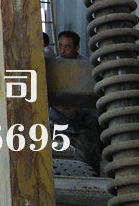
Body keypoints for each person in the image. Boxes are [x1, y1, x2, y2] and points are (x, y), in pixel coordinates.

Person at [49, 30, 101, 175]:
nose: (62, 50)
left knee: (88, 163)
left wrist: (75, 112)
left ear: (77, 47)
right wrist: (63, 110)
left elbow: (93, 95)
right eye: (60, 46)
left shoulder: (87, 67)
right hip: (58, 121)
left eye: (67, 47)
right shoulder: (53, 66)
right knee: (58, 161)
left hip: (83, 122)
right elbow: (45, 93)